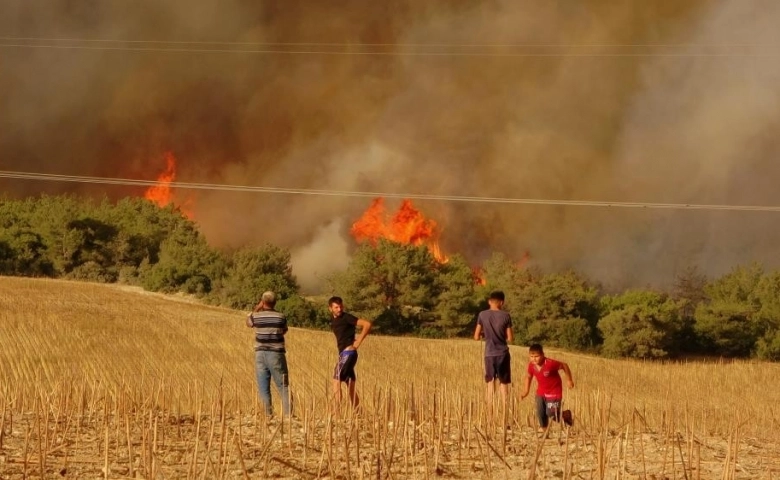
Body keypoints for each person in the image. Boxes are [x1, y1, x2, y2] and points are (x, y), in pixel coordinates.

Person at [246, 291, 291, 418]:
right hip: (276, 354)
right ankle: (288, 416)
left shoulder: (257, 316)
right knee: (283, 386)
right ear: (275, 302)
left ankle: (267, 415)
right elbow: (284, 331)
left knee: (263, 387)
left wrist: (256, 308)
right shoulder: (281, 317)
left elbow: (248, 323)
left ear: (263, 302)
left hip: (260, 354)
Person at [474, 291, 514, 415]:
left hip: (489, 354)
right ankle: (505, 414)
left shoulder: (482, 315)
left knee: (490, 384)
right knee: (504, 384)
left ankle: (489, 414)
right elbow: (510, 338)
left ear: (489, 301)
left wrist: (484, 334)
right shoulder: (506, 316)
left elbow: (476, 337)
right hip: (502, 353)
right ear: (502, 302)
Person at [328, 296, 372, 409]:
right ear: (330, 309)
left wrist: (358, 342)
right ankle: (358, 414)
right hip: (345, 354)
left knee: (336, 381)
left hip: (348, 353)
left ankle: (336, 413)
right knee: (350, 383)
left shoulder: (346, 317)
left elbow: (367, 324)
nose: (339, 309)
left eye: (341, 306)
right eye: (336, 307)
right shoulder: (333, 320)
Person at [519, 343, 575, 432]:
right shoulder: (531, 366)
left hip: (554, 391)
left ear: (542, 355)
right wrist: (525, 391)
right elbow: (528, 377)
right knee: (540, 410)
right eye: (531, 356)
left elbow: (564, 365)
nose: (534, 359)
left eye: (536, 356)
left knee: (551, 413)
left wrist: (569, 380)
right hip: (541, 392)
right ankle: (544, 428)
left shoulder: (550, 364)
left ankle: (566, 415)